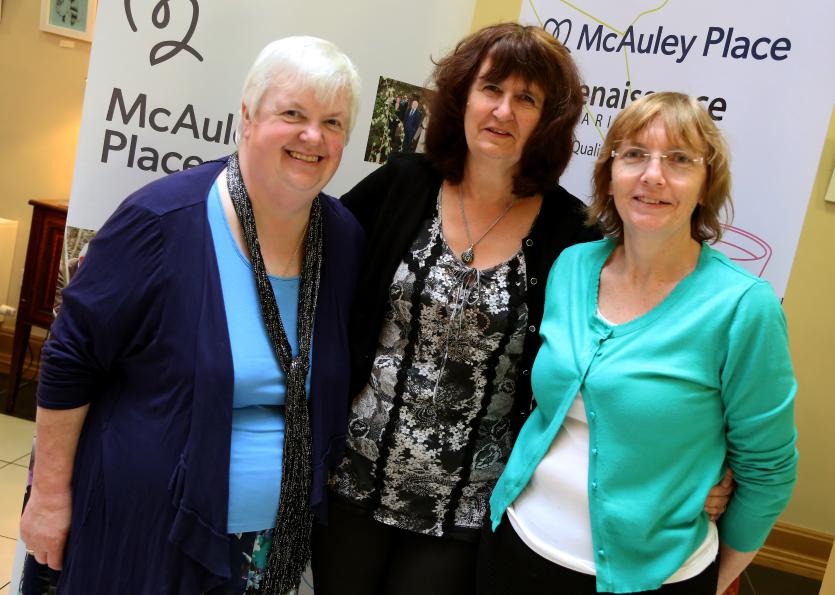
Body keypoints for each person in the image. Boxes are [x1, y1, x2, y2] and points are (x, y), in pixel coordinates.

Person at [311, 25, 731, 595]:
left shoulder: (573, 237)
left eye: (526, 99)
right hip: (352, 476)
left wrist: (705, 468)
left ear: (547, 121)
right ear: (463, 97)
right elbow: (314, 271)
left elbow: (620, 356)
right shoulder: (401, 185)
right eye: (491, 89)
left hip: (468, 505)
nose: (503, 110)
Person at [19, 36, 363, 594]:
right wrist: (50, 497)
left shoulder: (342, 238)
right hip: (146, 531)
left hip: (268, 547)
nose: (312, 137)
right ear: (248, 117)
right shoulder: (160, 221)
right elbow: (70, 356)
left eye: (332, 122)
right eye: (292, 114)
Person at [482, 92, 798, 595]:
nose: (653, 175)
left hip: (656, 576)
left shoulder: (742, 307)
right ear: (610, 175)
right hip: (521, 544)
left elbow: (769, 471)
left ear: (705, 184)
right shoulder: (573, 267)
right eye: (633, 155)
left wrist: (720, 578)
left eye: (679, 160)